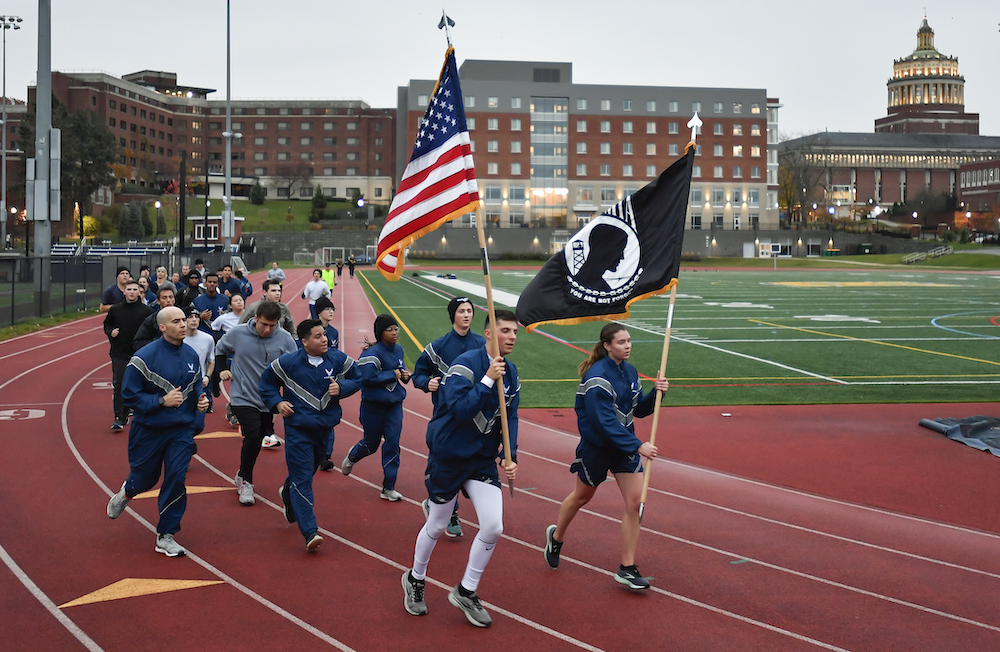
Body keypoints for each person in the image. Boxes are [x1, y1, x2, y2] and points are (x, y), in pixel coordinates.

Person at [402, 309, 519, 628]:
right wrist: (487, 380)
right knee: (438, 524)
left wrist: (511, 455)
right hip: (449, 455)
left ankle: (466, 591)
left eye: (515, 332)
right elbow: (461, 409)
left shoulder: (512, 372)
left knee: (494, 526)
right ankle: (415, 577)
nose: (511, 337)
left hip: (481, 460)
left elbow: (511, 417)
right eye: (505, 331)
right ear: (489, 334)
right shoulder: (464, 366)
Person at [542, 323, 669, 591]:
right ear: (608, 345)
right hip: (598, 447)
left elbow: (639, 410)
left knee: (636, 503)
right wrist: (637, 445)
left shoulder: (631, 372)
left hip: (624, 448)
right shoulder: (597, 378)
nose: (628, 345)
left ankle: (627, 567)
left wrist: (656, 394)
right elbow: (604, 423)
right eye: (621, 342)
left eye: (629, 340)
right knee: (582, 497)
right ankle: (557, 536)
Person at [106, 306, 210, 558]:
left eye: (184, 320)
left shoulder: (191, 354)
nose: (183, 324)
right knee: (145, 479)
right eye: (176, 321)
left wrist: (201, 402)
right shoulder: (143, 357)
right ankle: (128, 491)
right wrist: (160, 402)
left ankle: (166, 534)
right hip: (149, 430)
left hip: (181, 430)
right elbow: (128, 394)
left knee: (176, 478)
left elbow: (195, 387)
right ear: (162, 327)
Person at [261, 319, 361, 551]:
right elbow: (267, 384)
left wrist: (343, 388)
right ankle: (310, 531)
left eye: (324, 334)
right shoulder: (287, 363)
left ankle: (288, 491)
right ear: (304, 342)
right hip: (298, 430)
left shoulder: (337, 358)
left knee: (305, 473)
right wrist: (277, 402)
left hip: (324, 428)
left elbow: (358, 377)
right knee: (304, 478)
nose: (324, 339)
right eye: (317, 336)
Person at [411, 296, 486, 538]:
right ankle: (447, 509)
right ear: (453, 315)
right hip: (445, 416)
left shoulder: (482, 344)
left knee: (471, 461)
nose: (466, 315)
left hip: (474, 415)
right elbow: (418, 374)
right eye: (462, 311)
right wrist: (427, 382)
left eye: (469, 311)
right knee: (444, 462)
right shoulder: (439, 346)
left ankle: (444, 503)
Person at [216, 301, 297, 505]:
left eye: (272, 325)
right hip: (242, 395)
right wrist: (222, 369)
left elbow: (293, 368)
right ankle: (246, 481)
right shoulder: (238, 333)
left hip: (267, 399)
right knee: (252, 434)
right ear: (255, 318)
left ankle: (242, 474)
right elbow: (220, 349)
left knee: (259, 437)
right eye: (263, 324)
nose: (267, 329)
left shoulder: (285, 339)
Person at [342, 314, 409, 501]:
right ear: (381, 333)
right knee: (371, 444)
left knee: (393, 442)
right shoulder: (371, 355)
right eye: (390, 330)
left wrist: (403, 376)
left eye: (396, 329)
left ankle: (389, 486)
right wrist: (392, 374)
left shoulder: (399, 350)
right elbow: (366, 379)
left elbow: (398, 371)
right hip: (373, 406)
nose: (394, 333)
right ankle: (353, 456)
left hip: (394, 405)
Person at [104, 278, 153, 430]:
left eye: (134, 290)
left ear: (140, 292)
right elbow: (107, 324)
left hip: (141, 354)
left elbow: (154, 330)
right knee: (119, 384)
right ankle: (120, 416)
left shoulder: (147, 312)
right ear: (124, 292)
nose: (132, 292)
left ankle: (143, 413)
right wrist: (110, 331)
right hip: (119, 353)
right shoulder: (115, 309)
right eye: (129, 290)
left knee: (143, 384)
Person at [311, 297, 340, 471]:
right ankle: (315, 451)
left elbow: (336, 354)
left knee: (329, 417)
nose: (331, 312)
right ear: (319, 311)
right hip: (312, 377)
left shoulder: (334, 332)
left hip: (329, 378)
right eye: (327, 309)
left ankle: (325, 455)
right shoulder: (310, 329)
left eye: (332, 309)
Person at [182, 305, 216, 427]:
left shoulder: (207, 339)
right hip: (181, 384)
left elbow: (211, 360)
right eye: (190, 317)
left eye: (196, 317)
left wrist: (207, 376)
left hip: (200, 384)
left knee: (198, 423)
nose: (194, 320)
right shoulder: (179, 339)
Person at [133, 286, 175, 351]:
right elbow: (138, 343)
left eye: (171, 297)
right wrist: (158, 341)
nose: (168, 300)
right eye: (164, 298)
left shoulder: (182, 317)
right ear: (158, 301)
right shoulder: (151, 320)